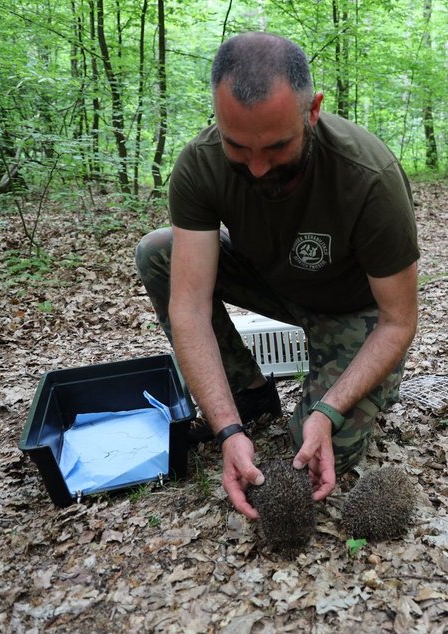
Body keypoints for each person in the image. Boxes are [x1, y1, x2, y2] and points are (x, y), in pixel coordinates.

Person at [135, 32, 419, 520]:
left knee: (313, 454)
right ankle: (248, 394)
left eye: (277, 146)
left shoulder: (368, 176)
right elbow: (188, 308)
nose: (259, 166)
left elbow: (399, 319)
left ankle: (368, 386)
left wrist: (328, 412)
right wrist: (226, 428)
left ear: (313, 111)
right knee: (158, 251)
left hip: (352, 307)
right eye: (238, 147)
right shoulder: (200, 167)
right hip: (275, 282)